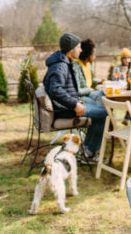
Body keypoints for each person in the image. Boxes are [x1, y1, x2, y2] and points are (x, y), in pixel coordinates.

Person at [43, 32, 108, 164]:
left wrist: (76, 101)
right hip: (65, 109)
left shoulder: (63, 62)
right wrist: (75, 104)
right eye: (78, 47)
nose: (81, 50)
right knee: (105, 113)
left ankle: (87, 151)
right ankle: (88, 153)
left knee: (101, 110)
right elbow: (55, 89)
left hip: (67, 105)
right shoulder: (60, 65)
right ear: (71, 50)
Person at [73, 38, 104, 105]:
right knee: (102, 103)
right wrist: (90, 90)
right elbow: (78, 91)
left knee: (103, 95)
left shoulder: (88, 65)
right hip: (81, 97)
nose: (95, 57)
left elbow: (90, 81)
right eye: (94, 54)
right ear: (88, 54)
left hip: (89, 93)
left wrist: (100, 81)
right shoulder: (76, 66)